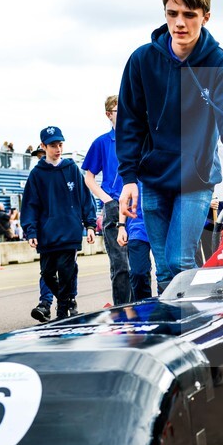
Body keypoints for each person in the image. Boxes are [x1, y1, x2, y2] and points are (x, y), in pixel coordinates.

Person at [117, 0, 223, 294]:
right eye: (172, 13)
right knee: (163, 267)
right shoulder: (142, 60)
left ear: (205, 17)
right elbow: (130, 123)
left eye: (189, 15)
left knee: (180, 260)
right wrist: (128, 179)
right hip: (153, 178)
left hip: (196, 178)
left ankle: (193, 326)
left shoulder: (218, 63)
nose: (179, 23)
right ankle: (174, 333)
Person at [21, 126, 97, 319]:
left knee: (66, 273)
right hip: (47, 234)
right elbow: (30, 205)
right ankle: (68, 299)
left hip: (69, 232)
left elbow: (85, 199)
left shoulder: (72, 169)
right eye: (53, 145)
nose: (58, 149)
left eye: (60, 144)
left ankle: (62, 313)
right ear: (43, 146)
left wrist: (89, 225)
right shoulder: (37, 174)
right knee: (47, 274)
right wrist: (31, 231)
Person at [83, 95, 132, 305]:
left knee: (140, 265)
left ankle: (145, 306)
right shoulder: (102, 142)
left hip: (138, 205)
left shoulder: (137, 138)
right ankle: (122, 310)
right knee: (121, 265)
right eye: (118, 110)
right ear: (108, 115)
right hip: (114, 206)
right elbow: (88, 177)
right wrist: (107, 200)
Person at [117, 181, 153, 301]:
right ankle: (143, 307)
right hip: (137, 225)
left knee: (166, 271)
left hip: (162, 222)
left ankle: (167, 310)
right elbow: (124, 199)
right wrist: (121, 226)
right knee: (138, 273)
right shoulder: (132, 167)